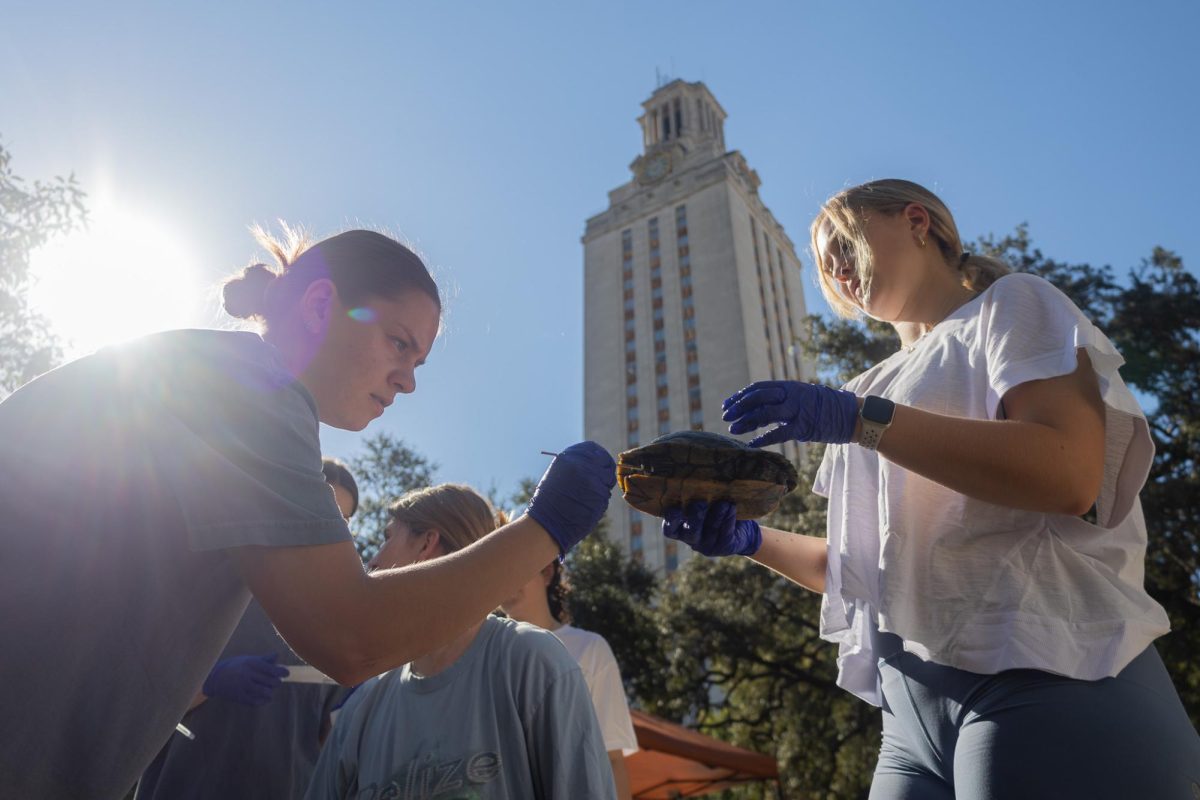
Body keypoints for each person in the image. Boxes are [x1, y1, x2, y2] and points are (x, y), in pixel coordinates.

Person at [0, 225, 616, 800]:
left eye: (418, 362)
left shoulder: (206, 371)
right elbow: (350, 637)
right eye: (398, 343)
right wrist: (548, 525)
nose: (407, 382)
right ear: (321, 306)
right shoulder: (250, 391)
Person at [662, 179, 1200, 798]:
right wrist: (750, 539)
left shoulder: (1012, 305)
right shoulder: (868, 382)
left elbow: (1069, 473)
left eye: (842, 241)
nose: (834, 269)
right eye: (821, 263)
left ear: (917, 220)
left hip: (1047, 671)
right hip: (906, 724)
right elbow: (866, 571)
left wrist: (860, 419)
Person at [306, 484, 616, 800]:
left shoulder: (534, 664)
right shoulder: (363, 707)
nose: (371, 562)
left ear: (427, 542)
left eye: (387, 538)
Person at [135, 458, 360, 800]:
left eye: (344, 521)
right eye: (328, 512)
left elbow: (328, 738)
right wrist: (208, 683)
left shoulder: (336, 622)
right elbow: (135, 701)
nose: (335, 529)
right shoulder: (219, 585)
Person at [502, 559, 638, 800]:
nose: (504, 581)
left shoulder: (591, 648)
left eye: (514, 566)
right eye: (496, 572)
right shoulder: (485, 658)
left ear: (547, 572)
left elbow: (612, 760)